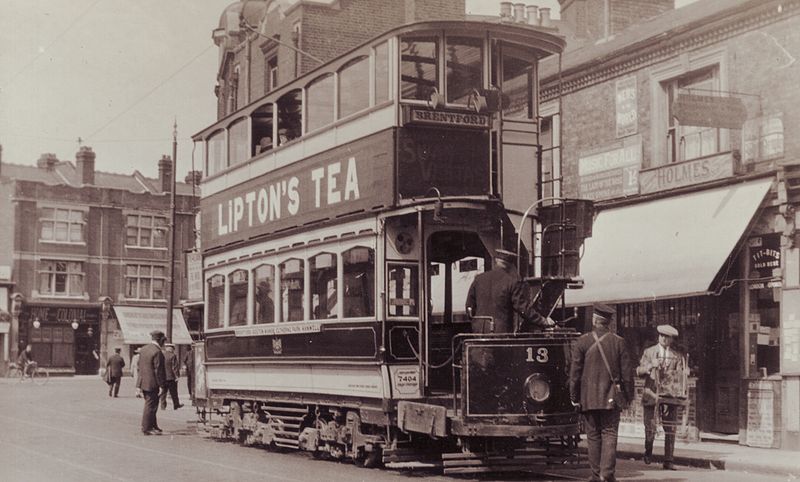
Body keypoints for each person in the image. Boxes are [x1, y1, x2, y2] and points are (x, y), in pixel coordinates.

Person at [569, 304, 634, 482]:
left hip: (588, 398)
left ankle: (596, 475)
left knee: (593, 436)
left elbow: (575, 373)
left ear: (594, 320)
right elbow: (627, 374)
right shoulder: (618, 342)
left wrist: (574, 397)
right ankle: (607, 475)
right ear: (608, 322)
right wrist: (628, 397)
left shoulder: (582, 341)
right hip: (611, 398)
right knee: (610, 433)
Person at [465, 248, 554, 334]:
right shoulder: (512, 281)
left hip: (479, 330)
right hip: (500, 332)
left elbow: (469, 306)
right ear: (511, 265)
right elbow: (522, 309)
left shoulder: (479, 279)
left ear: (496, 261)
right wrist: (543, 321)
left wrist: (477, 321)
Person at [636, 324, 687, 470]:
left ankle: (669, 460)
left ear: (671, 339)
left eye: (667, 337)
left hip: (669, 397)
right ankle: (648, 451)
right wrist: (650, 366)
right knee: (650, 427)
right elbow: (639, 371)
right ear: (659, 336)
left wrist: (684, 373)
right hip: (651, 395)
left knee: (670, 428)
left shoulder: (676, 356)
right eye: (662, 336)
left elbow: (679, 376)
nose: (664, 339)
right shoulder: (649, 352)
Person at [137, 330, 167, 435]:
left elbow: (139, 368)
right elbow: (158, 370)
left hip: (144, 382)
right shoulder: (157, 352)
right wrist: (162, 385)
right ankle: (146, 428)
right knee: (150, 405)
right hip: (153, 383)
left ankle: (153, 425)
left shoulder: (144, 349)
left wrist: (138, 384)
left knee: (152, 404)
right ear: (160, 340)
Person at [159, 343, 184, 410]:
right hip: (171, 378)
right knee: (174, 392)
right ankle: (176, 405)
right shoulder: (173, 356)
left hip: (163, 377)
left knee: (163, 392)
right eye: (173, 349)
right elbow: (174, 367)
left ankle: (163, 406)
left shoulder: (161, 355)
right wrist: (177, 376)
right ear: (171, 349)